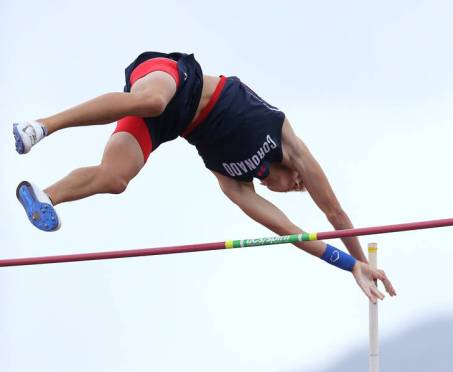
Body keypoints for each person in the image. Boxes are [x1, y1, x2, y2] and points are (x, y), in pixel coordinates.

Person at [13, 50, 395, 303]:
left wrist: (350, 268)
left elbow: (289, 229)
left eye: (296, 189)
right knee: (152, 100)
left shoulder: (235, 183)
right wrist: (358, 256)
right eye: (298, 183)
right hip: (172, 78)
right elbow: (336, 216)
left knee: (115, 178)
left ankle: (45, 195)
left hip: (168, 125)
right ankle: (41, 127)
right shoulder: (287, 140)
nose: (296, 186)